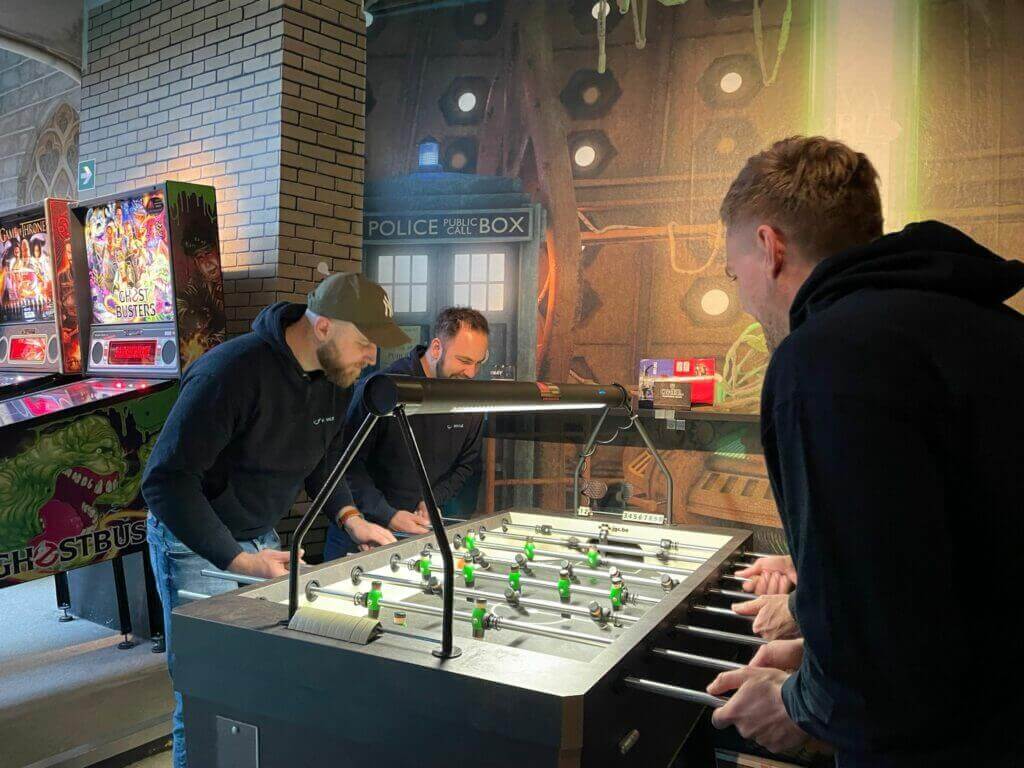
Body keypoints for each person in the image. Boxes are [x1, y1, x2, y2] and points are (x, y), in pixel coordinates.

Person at [704, 136, 1024, 765]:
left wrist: (801, 702)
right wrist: (816, 642)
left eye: (732, 272)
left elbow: (878, 617)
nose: (741, 294)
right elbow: (946, 567)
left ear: (769, 249)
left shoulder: (824, 354)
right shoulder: (995, 326)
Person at [142, 272, 407, 768]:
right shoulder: (230, 372)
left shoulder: (335, 378)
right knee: (207, 692)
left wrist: (351, 518)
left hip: (258, 539)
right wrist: (237, 559)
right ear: (323, 326)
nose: (372, 357)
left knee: (255, 683)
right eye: (366, 342)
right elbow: (166, 481)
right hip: (199, 545)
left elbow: (324, 458)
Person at [324, 307, 490, 559]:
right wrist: (386, 513)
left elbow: (466, 465)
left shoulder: (468, 398)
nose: (472, 373)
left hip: (421, 532)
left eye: (479, 363)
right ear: (436, 348)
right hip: (360, 533)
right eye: (464, 361)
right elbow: (344, 465)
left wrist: (431, 499)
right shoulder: (385, 388)